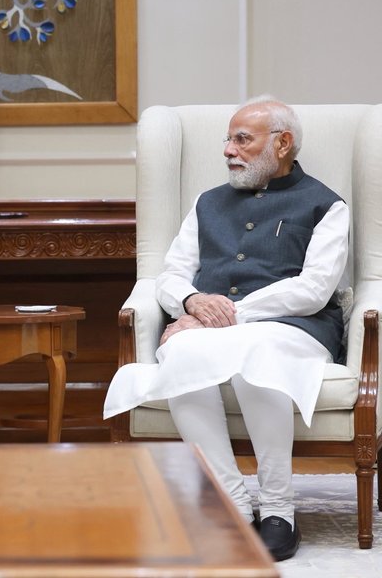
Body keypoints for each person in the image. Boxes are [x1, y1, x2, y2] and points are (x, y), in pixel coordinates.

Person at [102, 97, 350, 562]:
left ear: (282, 144)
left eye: (242, 139)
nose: (228, 150)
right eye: (228, 139)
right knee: (181, 354)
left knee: (254, 353)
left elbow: (314, 289)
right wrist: (191, 302)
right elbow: (171, 275)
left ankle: (278, 510)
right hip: (209, 327)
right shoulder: (207, 203)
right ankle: (229, 501)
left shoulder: (326, 205)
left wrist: (222, 315)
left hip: (293, 329)